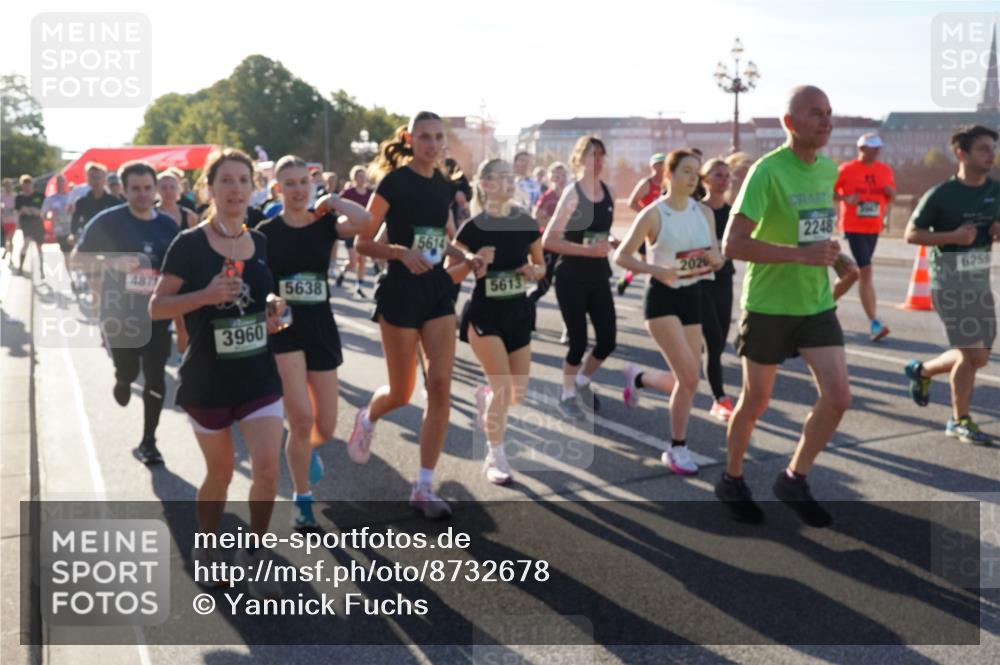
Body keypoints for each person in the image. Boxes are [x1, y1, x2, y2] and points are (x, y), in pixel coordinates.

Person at [149, 148, 289, 599]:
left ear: (253, 188)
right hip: (208, 379)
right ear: (209, 189)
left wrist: (275, 315)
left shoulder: (262, 242)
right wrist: (206, 295)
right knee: (221, 474)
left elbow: (270, 300)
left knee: (267, 470)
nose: (234, 189)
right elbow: (157, 307)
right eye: (225, 181)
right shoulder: (189, 244)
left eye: (242, 181)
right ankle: (207, 551)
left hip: (258, 375)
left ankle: (254, 550)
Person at [716, 85, 850, 528]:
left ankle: (794, 478)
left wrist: (836, 255)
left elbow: (812, 233)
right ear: (790, 123)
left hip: (814, 305)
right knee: (756, 402)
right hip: (769, 305)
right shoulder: (766, 172)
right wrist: (799, 254)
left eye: (829, 113)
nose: (826, 121)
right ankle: (732, 478)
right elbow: (732, 244)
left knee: (838, 397)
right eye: (815, 114)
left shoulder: (829, 169)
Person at [349, 113, 485, 518]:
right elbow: (362, 241)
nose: (432, 144)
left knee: (441, 386)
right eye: (424, 137)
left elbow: (441, 240)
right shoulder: (394, 182)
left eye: (438, 137)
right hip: (400, 293)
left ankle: (424, 486)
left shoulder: (443, 184)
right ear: (410, 139)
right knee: (401, 392)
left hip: (437, 293)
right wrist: (398, 252)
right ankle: (368, 415)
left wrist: (467, 257)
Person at [257, 155, 370, 529]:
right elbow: (255, 280)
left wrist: (334, 200)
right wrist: (268, 301)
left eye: (303, 182)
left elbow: (366, 221)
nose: (297, 189)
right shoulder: (266, 232)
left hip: (321, 327)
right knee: (301, 419)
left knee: (326, 423)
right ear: (277, 189)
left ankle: (307, 451)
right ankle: (302, 497)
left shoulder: (325, 225)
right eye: (288, 184)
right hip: (285, 330)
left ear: (312, 184)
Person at [615, 150, 724, 475]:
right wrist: (656, 270)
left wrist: (715, 260)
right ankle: (676, 449)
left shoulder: (703, 212)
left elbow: (714, 254)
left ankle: (639, 378)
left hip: (693, 295)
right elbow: (622, 257)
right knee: (690, 377)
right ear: (669, 175)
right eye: (686, 171)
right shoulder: (654, 214)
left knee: (686, 379)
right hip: (662, 299)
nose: (693, 178)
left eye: (696, 173)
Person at [72, 161, 180, 464]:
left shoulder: (168, 226)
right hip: (119, 314)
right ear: (123, 189)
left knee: (156, 377)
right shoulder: (109, 221)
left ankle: (149, 441)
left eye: (148, 188)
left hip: (156, 314)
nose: (143, 195)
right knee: (130, 371)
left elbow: (180, 269)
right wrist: (111, 263)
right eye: (136, 189)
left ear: (155, 188)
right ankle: (122, 378)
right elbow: (77, 260)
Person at [449, 158, 545, 485]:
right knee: (504, 388)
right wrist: (475, 263)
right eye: (501, 177)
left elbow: (541, 266)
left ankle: (487, 398)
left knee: (515, 393)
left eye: (511, 177)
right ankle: (496, 455)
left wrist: (533, 271)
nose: (509, 182)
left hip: (518, 313)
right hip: (484, 315)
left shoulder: (526, 222)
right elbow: (449, 274)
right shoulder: (472, 228)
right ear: (486, 184)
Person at [903, 124, 1000, 446]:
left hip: (979, 283)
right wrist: (953, 237)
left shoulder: (995, 190)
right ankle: (958, 420)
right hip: (948, 283)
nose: (991, 155)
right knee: (971, 354)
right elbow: (912, 234)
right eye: (983, 149)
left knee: (978, 357)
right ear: (962, 153)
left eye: (992, 149)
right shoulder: (941, 195)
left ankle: (923, 371)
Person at [542, 135, 618, 417]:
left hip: (599, 275)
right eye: (592, 155)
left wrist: (611, 241)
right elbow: (548, 241)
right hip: (571, 276)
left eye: (601, 155)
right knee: (577, 341)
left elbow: (599, 232)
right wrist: (589, 250)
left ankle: (583, 381)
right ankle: (567, 393)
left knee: (608, 340)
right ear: (579, 159)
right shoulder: (573, 194)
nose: (598, 160)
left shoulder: (609, 191)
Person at [834, 132, 896, 341]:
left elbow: (893, 196)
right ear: (861, 149)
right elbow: (829, 192)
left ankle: (824, 304)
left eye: (878, 148)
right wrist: (846, 198)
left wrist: (890, 192)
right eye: (872, 148)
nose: (877, 151)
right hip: (853, 226)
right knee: (866, 270)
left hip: (874, 226)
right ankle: (874, 323)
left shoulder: (885, 170)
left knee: (859, 272)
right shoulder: (847, 169)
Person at [698, 158, 738, 421]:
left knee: (720, 341)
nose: (723, 180)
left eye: (726, 176)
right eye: (718, 175)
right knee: (713, 341)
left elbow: (738, 243)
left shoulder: (732, 211)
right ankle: (719, 397)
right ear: (705, 179)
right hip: (701, 282)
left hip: (724, 280)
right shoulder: (695, 210)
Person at [618, 153, 667, 295]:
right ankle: (628, 280)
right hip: (647, 229)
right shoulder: (647, 183)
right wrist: (647, 214)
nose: (661, 168)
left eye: (664, 164)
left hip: (664, 228)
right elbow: (631, 202)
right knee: (645, 263)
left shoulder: (669, 184)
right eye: (658, 165)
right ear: (652, 167)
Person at [528, 162, 569, 304]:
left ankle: (569, 323)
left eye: (562, 174)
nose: (559, 178)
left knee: (567, 286)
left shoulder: (570, 195)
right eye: (556, 174)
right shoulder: (547, 196)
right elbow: (537, 219)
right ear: (550, 177)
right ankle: (527, 311)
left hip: (565, 245)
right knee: (543, 287)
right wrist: (555, 222)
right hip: (548, 245)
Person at [338, 165, 375, 298]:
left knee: (362, 259)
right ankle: (343, 271)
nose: (361, 178)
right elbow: (339, 206)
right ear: (354, 178)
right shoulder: (349, 193)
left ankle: (359, 285)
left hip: (364, 230)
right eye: (359, 176)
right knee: (353, 261)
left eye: (363, 176)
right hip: (351, 230)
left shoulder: (371, 193)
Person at [71, 162, 122, 237]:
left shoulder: (114, 202)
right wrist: (75, 235)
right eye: (93, 177)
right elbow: (74, 226)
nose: (96, 181)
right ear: (87, 179)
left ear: (104, 180)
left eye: (99, 177)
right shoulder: (81, 202)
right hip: (89, 242)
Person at [42, 175, 74, 272]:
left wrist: (73, 211)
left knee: (75, 252)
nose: (61, 184)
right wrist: (50, 217)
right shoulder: (51, 199)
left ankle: (76, 273)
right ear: (56, 184)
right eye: (59, 182)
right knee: (66, 253)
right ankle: (70, 275)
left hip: (72, 229)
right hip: (60, 230)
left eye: (62, 182)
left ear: (66, 183)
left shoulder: (72, 196)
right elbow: (43, 215)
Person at [15, 175, 45, 278]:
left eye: (28, 184)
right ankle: (20, 267)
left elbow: (41, 211)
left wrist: (30, 210)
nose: (27, 187)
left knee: (39, 247)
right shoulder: (19, 197)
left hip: (37, 224)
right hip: (26, 224)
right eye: (24, 185)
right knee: (26, 243)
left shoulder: (39, 196)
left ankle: (41, 269)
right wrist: (28, 211)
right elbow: (18, 211)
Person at [2, 178, 16, 262]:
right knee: (8, 239)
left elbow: (17, 208)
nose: (8, 187)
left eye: (9, 185)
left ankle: (10, 256)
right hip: (4, 221)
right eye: (6, 186)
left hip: (13, 221)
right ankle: (7, 252)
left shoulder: (15, 196)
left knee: (10, 239)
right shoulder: (1, 196)